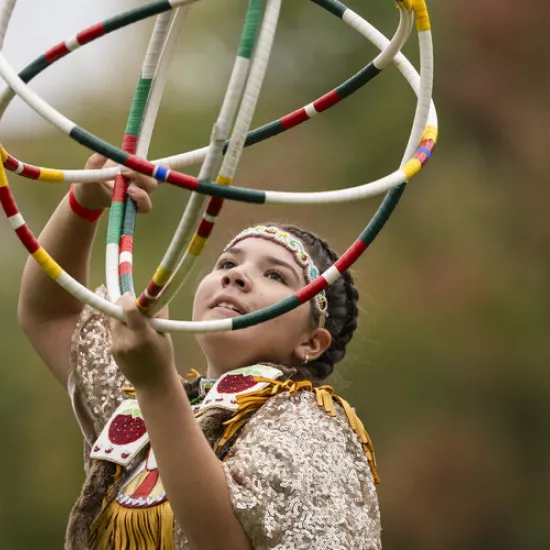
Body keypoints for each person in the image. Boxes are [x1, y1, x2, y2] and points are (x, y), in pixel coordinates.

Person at [18, 153, 382, 550]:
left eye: (275, 275)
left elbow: (227, 542)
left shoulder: (313, 422)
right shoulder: (139, 407)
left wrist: (156, 385)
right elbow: (51, 314)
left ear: (311, 342)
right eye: (228, 261)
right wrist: (84, 202)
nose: (237, 275)